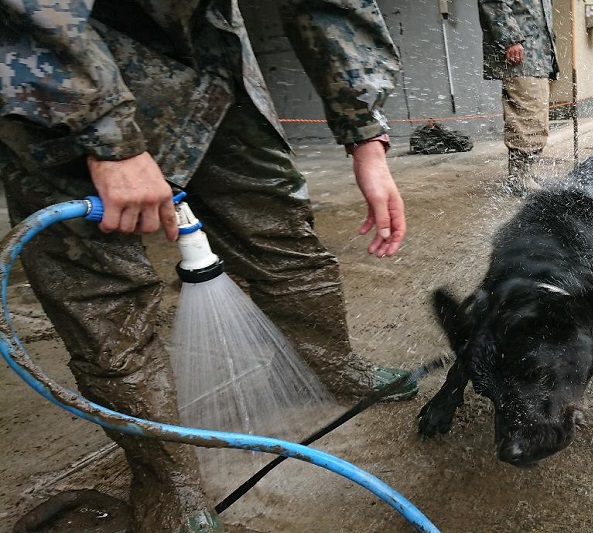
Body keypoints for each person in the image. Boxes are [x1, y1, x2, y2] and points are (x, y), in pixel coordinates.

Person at [0, 0, 415, 531]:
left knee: (279, 225)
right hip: (49, 74)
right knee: (101, 293)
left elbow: (331, 6)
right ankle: (165, 475)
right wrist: (107, 138)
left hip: (205, 64)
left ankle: (326, 362)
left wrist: (365, 134)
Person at [478, 0, 559, 196]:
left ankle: (525, 173)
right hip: (523, 58)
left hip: (538, 56)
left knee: (536, 118)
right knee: (527, 116)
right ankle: (520, 178)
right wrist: (510, 39)